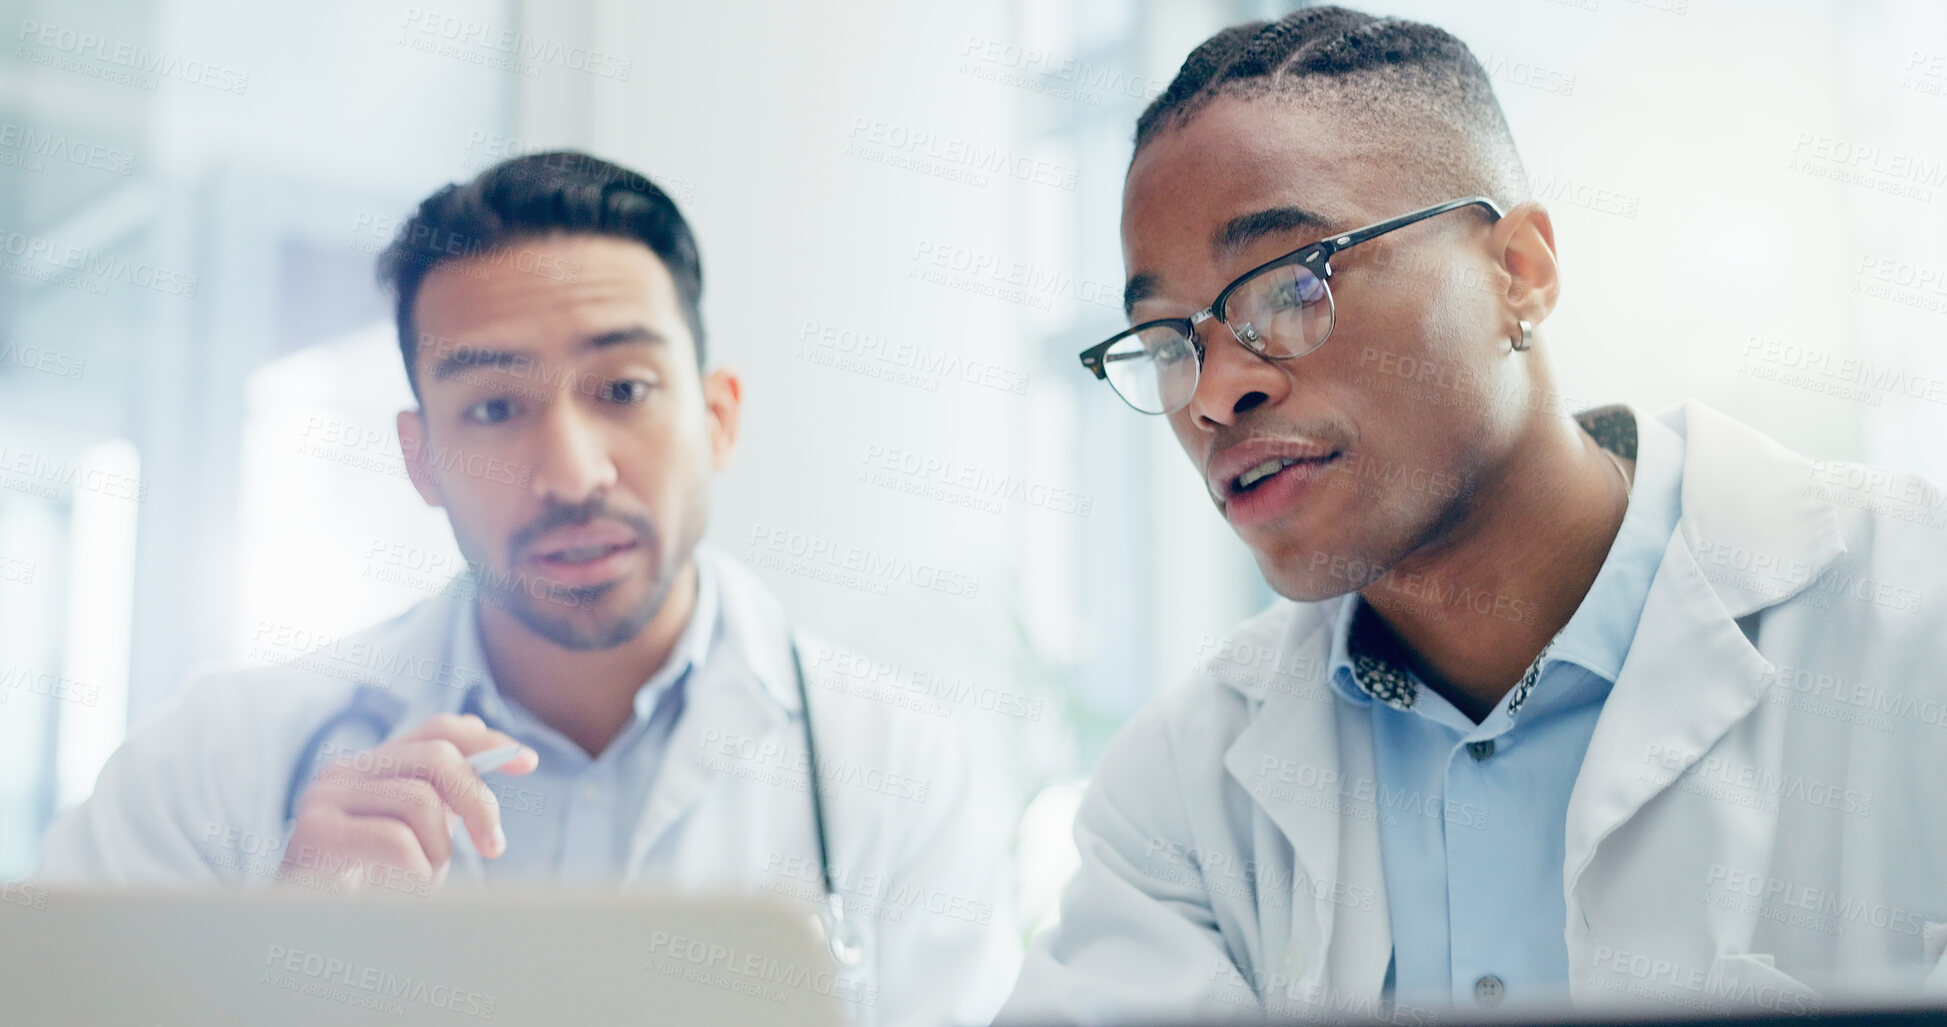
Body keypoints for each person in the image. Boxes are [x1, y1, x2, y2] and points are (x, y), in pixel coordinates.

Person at [1000, 7, 1947, 1023]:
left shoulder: (1913, 618)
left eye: (1287, 285)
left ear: (1519, 274)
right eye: (1163, 340)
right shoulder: (1181, 792)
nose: (1212, 391)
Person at [37, 151, 1020, 1027]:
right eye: (496, 405)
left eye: (623, 390)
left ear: (717, 417)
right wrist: (276, 971)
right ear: (421, 460)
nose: (572, 471)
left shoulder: (896, 771)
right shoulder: (214, 766)